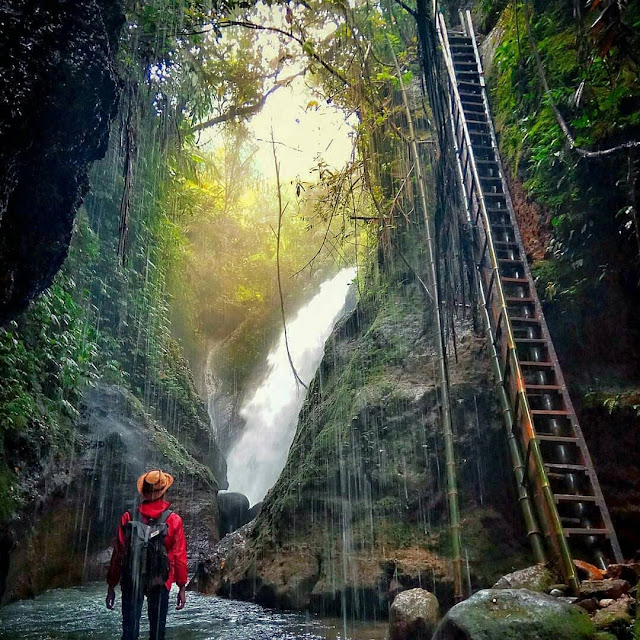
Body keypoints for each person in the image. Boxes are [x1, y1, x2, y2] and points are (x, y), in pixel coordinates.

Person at [106, 469, 187, 640]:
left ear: (143, 492)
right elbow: (179, 557)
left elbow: (119, 554)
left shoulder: (128, 517)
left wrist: (111, 585)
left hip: (131, 580)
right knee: (157, 633)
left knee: (129, 632)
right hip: (159, 581)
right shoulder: (173, 520)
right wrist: (181, 587)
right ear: (163, 492)